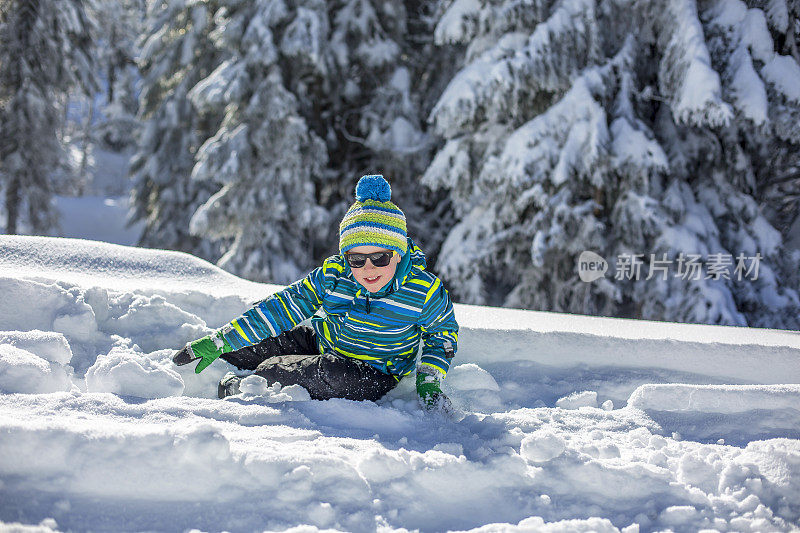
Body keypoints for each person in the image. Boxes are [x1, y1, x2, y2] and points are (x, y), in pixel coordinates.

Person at [172, 174, 459, 410]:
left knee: (298, 372)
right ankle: (224, 358)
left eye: (380, 257)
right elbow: (285, 306)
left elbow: (442, 333)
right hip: (324, 341)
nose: (368, 268)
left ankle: (252, 386)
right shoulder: (335, 274)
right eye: (356, 259)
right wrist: (223, 340)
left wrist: (429, 377)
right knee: (249, 346)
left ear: (399, 254)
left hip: (375, 371)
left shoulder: (423, 290)